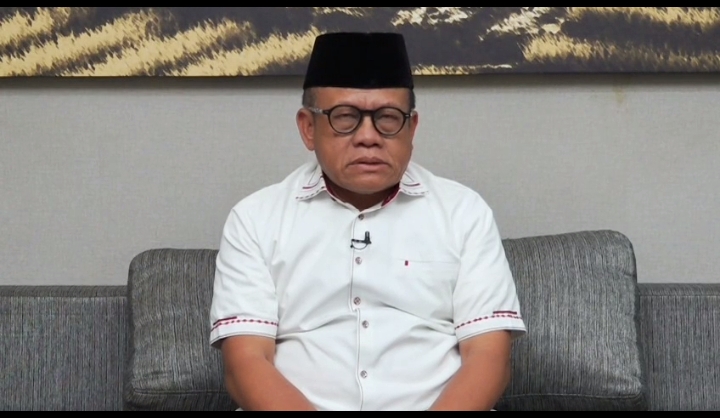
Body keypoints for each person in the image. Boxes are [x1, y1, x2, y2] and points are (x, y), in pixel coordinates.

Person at [209, 31, 527, 411]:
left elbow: (489, 357)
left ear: (412, 128)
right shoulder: (255, 219)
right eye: (345, 117)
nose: (368, 137)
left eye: (388, 118)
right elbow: (245, 361)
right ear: (308, 128)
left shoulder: (464, 213)